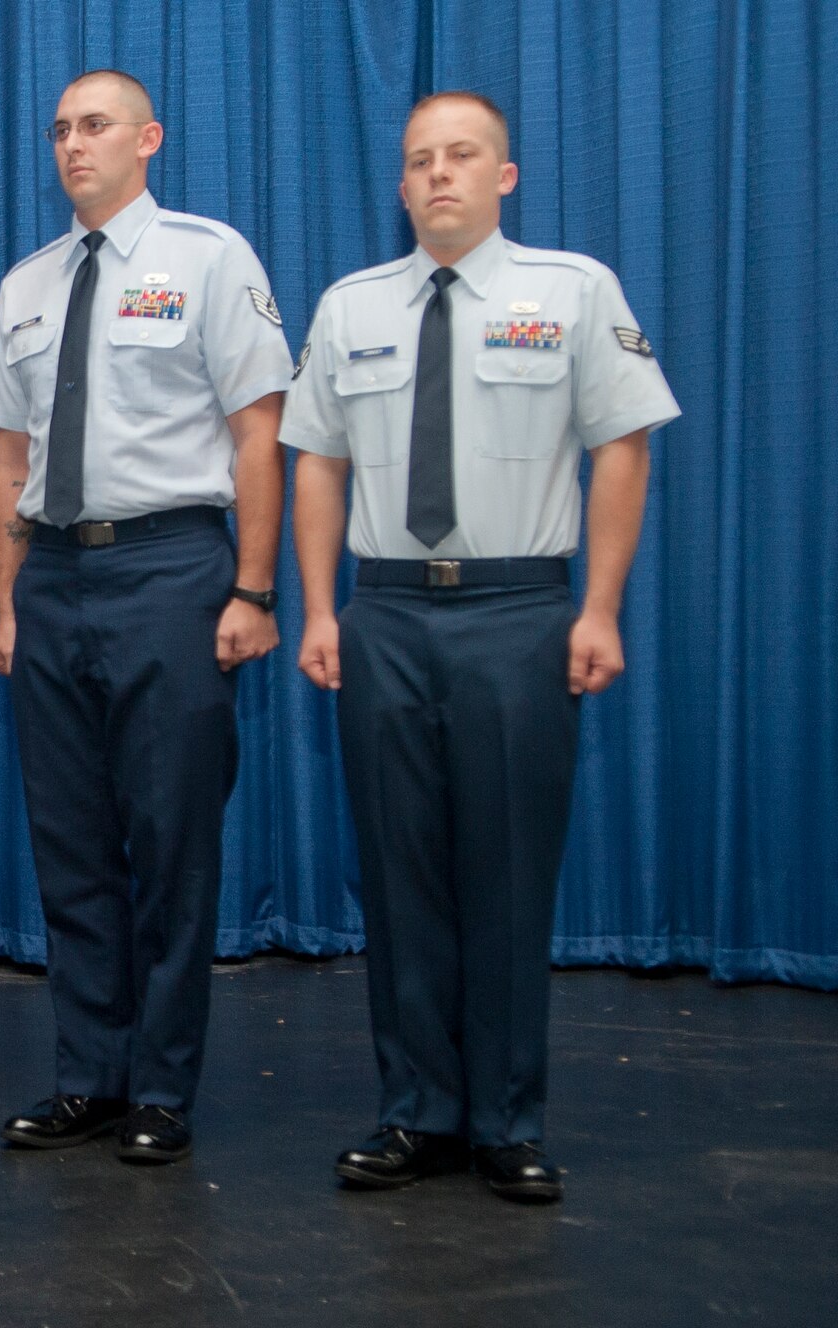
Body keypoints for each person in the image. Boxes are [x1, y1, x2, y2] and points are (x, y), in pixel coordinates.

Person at [282, 92, 679, 1202]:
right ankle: (416, 1114)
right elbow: (313, 460)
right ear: (399, 185)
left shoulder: (570, 291)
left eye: (461, 157)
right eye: (419, 161)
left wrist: (596, 608)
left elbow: (621, 450)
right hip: (387, 612)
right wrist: (320, 609)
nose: (438, 175)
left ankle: (506, 1118)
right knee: (398, 872)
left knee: (505, 873)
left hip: (517, 609)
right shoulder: (350, 303)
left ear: (503, 175)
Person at [0, 70, 292, 1163]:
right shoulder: (23, 284)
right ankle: (89, 1077)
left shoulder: (208, 259)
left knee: (168, 841)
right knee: (69, 844)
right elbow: (8, 457)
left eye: (95, 125)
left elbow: (259, 432)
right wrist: (11, 601)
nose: (73, 143)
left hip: (169, 569)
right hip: (54, 576)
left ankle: (160, 1087)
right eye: (59, 127)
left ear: (146, 139)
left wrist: (253, 589)